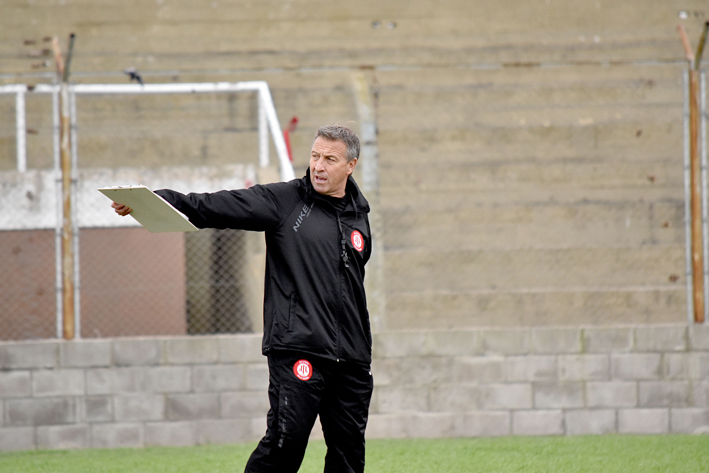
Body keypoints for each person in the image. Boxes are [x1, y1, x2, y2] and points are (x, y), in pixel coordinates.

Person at [112, 125, 374, 473]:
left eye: (330, 159)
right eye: (314, 156)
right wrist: (158, 200)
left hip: (352, 360)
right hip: (299, 348)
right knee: (284, 448)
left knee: (349, 457)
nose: (319, 166)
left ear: (350, 165)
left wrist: (358, 354)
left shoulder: (359, 217)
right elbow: (215, 206)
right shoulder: (285, 201)